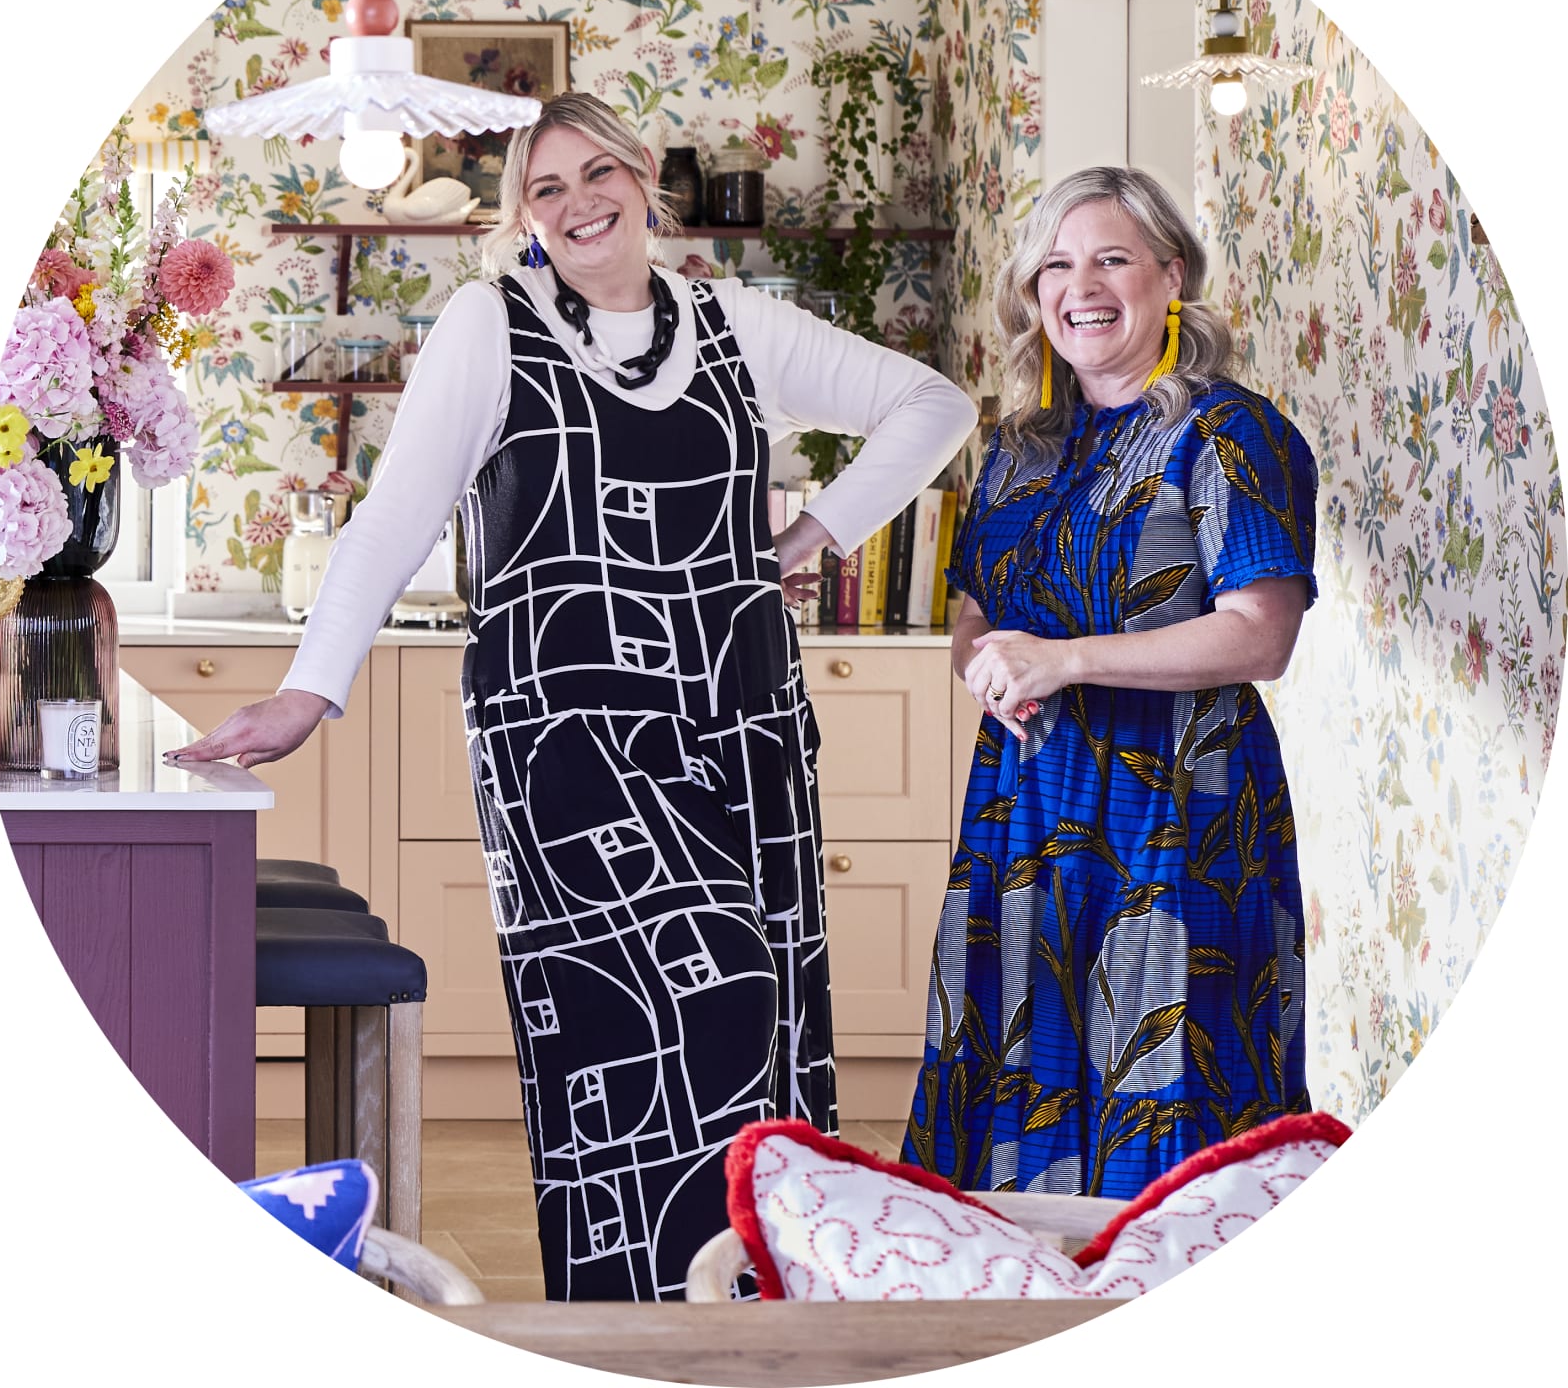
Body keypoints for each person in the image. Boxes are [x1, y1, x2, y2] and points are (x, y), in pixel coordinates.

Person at [170, 93, 977, 1301]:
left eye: (598, 172)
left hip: (740, 715)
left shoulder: (731, 321)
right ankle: (643, 1316)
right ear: (522, 218)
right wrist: (308, 691)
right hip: (564, 730)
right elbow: (395, 518)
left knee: (754, 1036)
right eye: (544, 190)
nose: (578, 202)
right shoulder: (487, 325)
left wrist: (811, 529)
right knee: (684, 997)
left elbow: (935, 406)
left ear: (646, 177)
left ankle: (733, 1328)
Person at [900, 166, 1317, 1202]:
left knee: (1170, 1087)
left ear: (1170, 275)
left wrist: (1067, 658)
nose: (1080, 285)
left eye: (1111, 258)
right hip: (1028, 807)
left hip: (1179, 812)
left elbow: (1260, 636)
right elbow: (973, 617)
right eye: (1056, 264)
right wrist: (990, 671)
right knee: (1012, 1078)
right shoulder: (1016, 449)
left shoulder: (1228, 432)